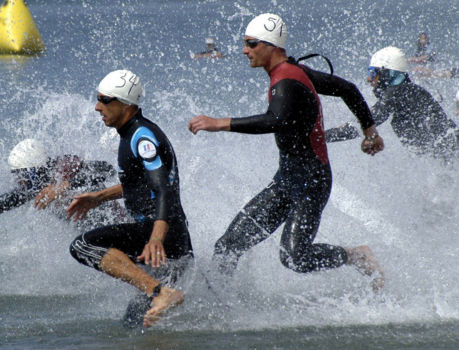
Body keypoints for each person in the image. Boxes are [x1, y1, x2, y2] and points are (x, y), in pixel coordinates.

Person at [188, 13, 385, 292]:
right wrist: (370, 133)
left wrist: (220, 123)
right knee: (228, 245)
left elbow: (275, 120)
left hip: (311, 183)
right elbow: (347, 88)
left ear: (272, 46)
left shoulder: (288, 80)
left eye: (251, 44)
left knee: (295, 257)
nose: (245, 50)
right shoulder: (294, 72)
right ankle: (219, 306)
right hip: (287, 180)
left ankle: (356, 256)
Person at [66, 70, 194, 328]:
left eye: (104, 99)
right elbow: (139, 183)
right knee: (136, 326)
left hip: (161, 237)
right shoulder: (131, 133)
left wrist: (156, 238)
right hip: (170, 241)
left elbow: (163, 189)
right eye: (97, 98)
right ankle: (160, 294)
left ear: (125, 104)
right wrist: (99, 197)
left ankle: (160, 292)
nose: (97, 106)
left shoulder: (141, 137)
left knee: (82, 246)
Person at [326, 47, 459, 163]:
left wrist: (318, 136)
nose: (368, 79)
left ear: (386, 73)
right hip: (447, 161)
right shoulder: (406, 91)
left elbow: (365, 122)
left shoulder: (399, 92)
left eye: (372, 72)